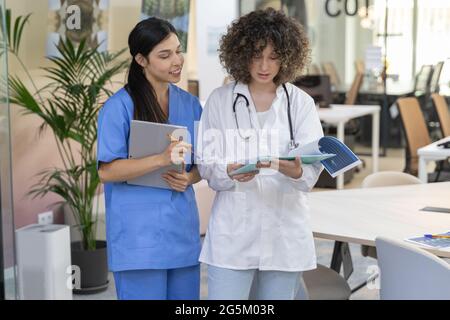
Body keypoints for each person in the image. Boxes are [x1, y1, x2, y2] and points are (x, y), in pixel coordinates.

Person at [196, 8, 324, 300]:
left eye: (274, 56)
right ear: (241, 54)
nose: (264, 65)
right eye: (256, 54)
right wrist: (229, 171)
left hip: (285, 234)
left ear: (287, 57)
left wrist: (292, 169)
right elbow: (207, 164)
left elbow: (310, 173)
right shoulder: (220, 101)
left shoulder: (300, 104)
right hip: (233, 234)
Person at [97, 17, 203, 300]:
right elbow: (106, 172)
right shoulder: (118, 108)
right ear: (141, 60)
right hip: (138, 239)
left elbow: (203, 164)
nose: (176, 61)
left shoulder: (191, 104)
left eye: (178, 51)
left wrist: (189, 177)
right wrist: (160, 159)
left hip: (181, 233)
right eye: (165, 55)